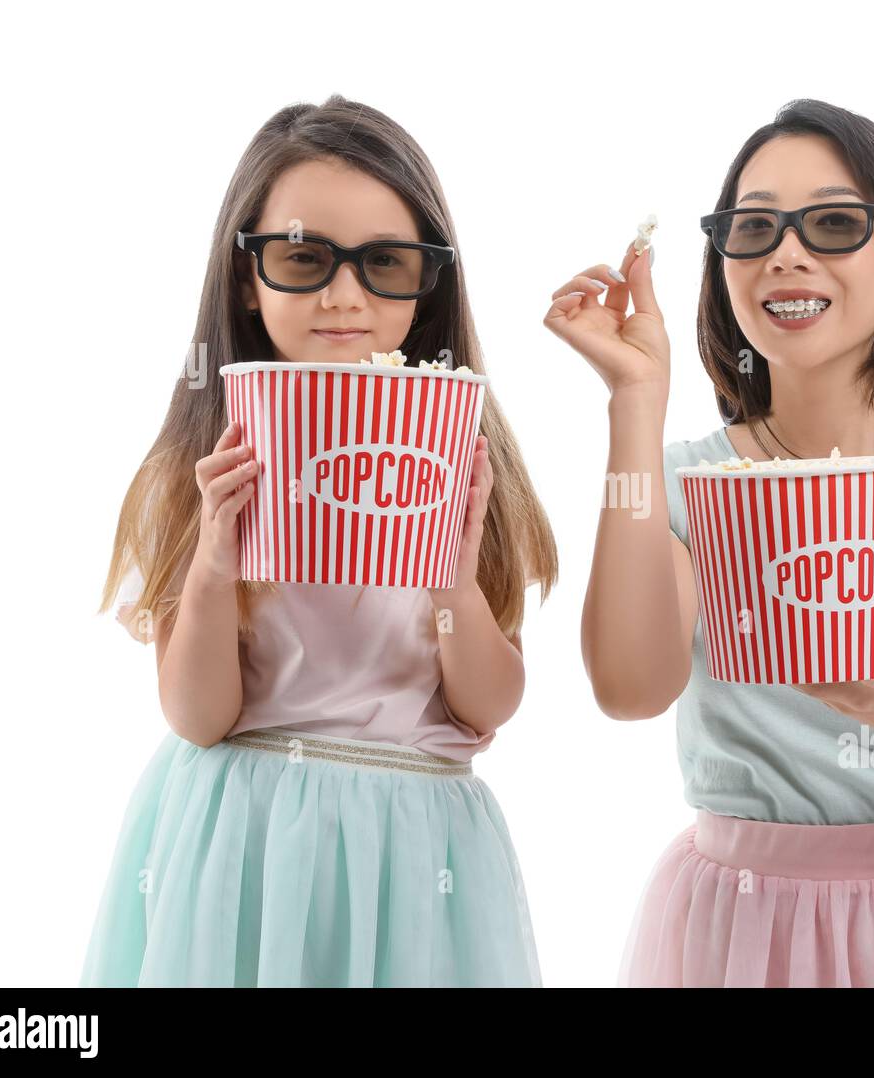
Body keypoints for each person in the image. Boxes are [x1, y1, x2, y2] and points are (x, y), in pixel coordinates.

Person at [545, 98, 874, 987]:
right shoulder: (685, 488)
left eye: (834, 222)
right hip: (735, 938)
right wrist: (634, 403)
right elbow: (630, 689)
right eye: (753, 229)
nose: (786, 253)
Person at [81, 95, 557, 987]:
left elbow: (487, 707)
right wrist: (218, 562)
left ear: (431, 282)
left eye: (386, 263)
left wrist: (453, 579)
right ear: (244, 279)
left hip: (420, 851)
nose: (346, 297)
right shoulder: (195, 470)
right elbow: (198, 717)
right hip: (240, 836)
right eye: (303, 257)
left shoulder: (465, 465)